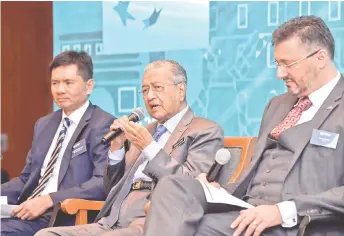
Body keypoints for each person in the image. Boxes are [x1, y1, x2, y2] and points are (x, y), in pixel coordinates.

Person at [143, 16, 344, 236]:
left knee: (195, 227)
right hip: (247, 211)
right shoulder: (276, 105)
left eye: (288, 64)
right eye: (278, 64)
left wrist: (284, 210)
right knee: (172, 187)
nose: (280, 74)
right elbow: (256, 173)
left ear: (321, 58)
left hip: (297, 223)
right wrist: (220, 192)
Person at [36, 60, 224, 236]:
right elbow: (111, 189)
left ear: (181, 90)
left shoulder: (204, 130)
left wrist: (149, 147)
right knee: (46, 234)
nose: (150, 96)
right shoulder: (145, 130)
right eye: (144, 90)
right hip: (109, 221)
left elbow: (190, 187)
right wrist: (116, 150)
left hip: (149, 224)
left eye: (158, 88)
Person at [1, 50, 115, 236]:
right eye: (55, 83)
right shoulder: (44, 124)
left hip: (64, 215)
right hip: (27, 212)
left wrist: (49, 199)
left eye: (68, 83)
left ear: (89, 86)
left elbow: (102, 183)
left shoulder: (103, 124)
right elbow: (26, 180)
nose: (60, 90)